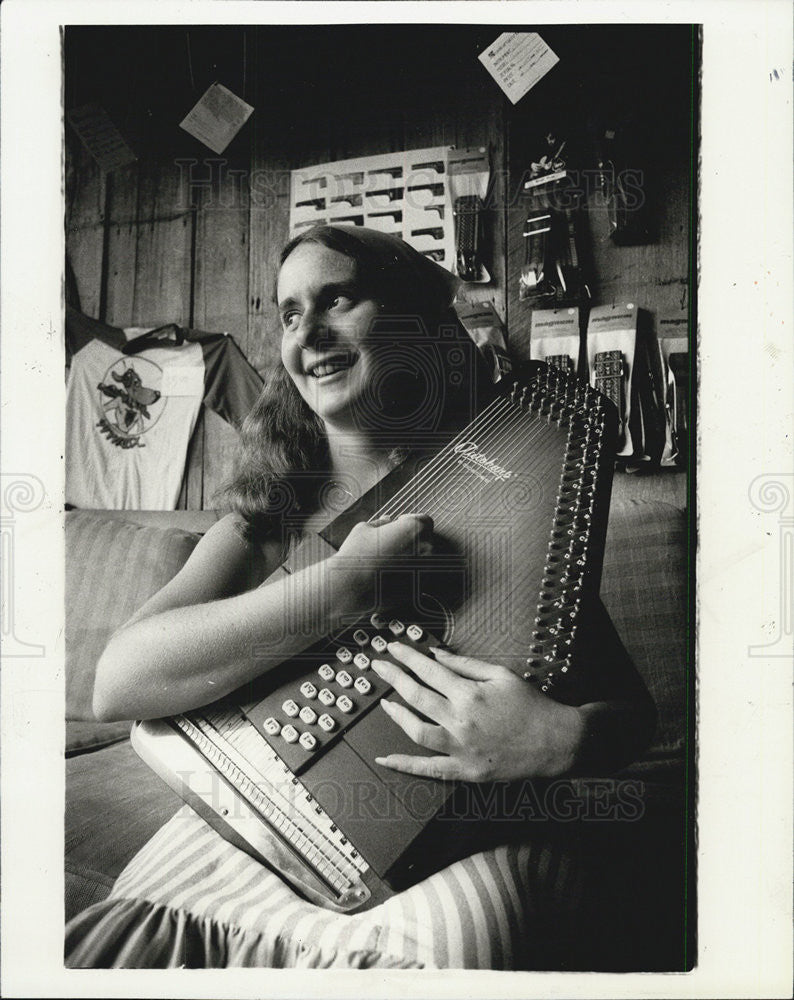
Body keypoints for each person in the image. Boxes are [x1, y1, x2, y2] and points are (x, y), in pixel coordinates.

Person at [66, 225, 656, 969]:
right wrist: (346, 582)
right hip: (267, 816)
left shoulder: (504, 491)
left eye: (335, 299)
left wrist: (558, 739)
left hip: (446, 834)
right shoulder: (267, 522)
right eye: (287, 314)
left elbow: (629, 714)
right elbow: (118, 683)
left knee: (459, 942)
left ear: (411, 321)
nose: (307, 332)